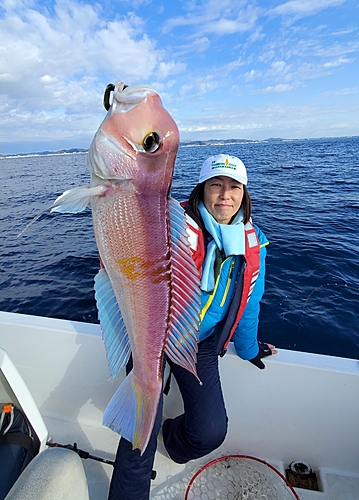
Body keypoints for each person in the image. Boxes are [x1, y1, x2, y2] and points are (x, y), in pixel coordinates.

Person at [108, 154, 277, 499]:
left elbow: (249, 301)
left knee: (210, 433)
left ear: (244, 194)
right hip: (153, 338)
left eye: (234, 187)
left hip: (198, 346)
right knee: (138, 440)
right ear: (201, 190)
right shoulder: (170, 224)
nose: (225, 195)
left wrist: (248, 347)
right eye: (216, 185)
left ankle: (170, 438)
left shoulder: (253, 241)